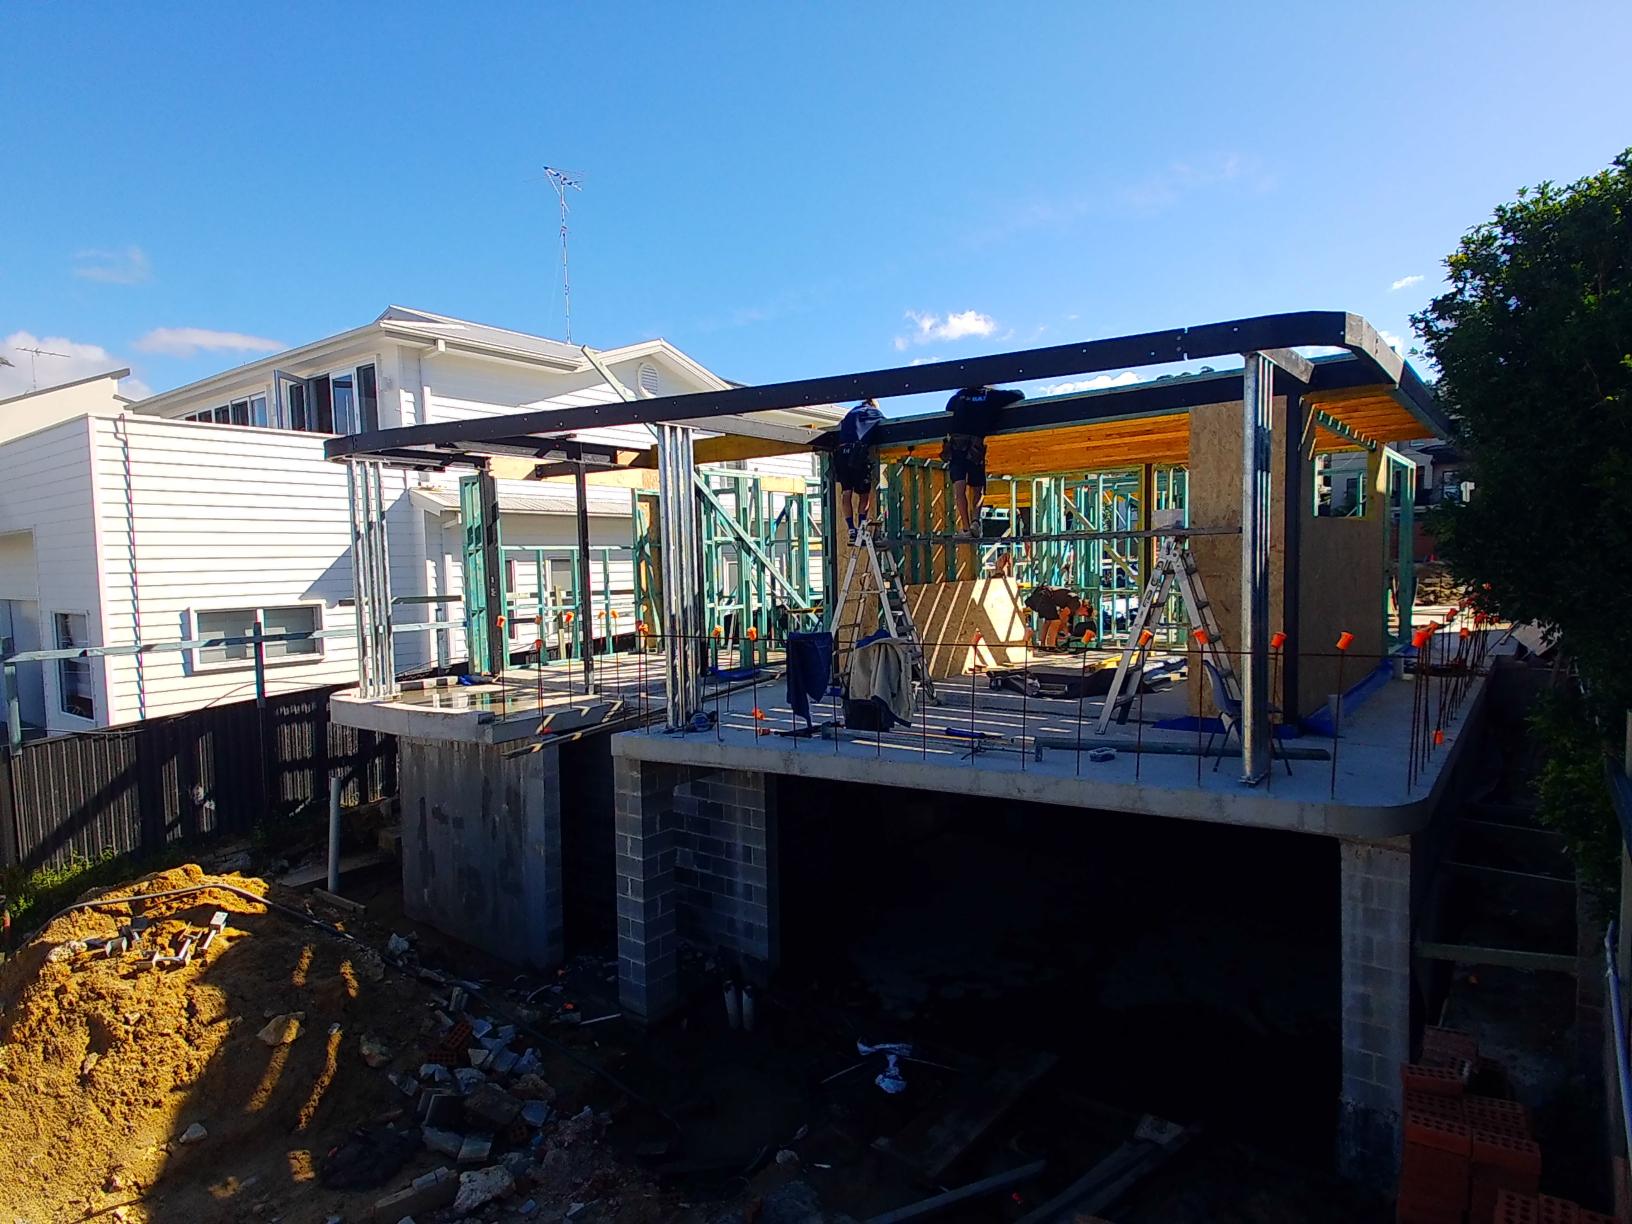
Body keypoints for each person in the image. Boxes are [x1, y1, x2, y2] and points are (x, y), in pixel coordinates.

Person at [943, 385, 1024, 537]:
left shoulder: (960, 396)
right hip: (975, 446)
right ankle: (975, 521)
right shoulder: (990, 396)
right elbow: (1019, 394)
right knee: (977, 487)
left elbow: (948, 407)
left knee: (959, 488)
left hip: (957, 446)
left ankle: (966, 528)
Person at [834, 398, 884, 543]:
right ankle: (861, 528)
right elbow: (886, 425)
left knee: (846, 492)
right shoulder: (873, 412)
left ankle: (851, 528)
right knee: (864, 494)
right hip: (857, 454)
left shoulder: (851, 413)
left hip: (841, 454)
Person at [1025, 584, 1081, 650]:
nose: (1080, 615)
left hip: (1041, 595)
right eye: (1085, 614)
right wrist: (1066, 631)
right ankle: (1051, 645)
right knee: (1056, 621)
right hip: (1046, 598)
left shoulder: (1072, 597)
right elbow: (1062, 615)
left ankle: (1043, 644)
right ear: (1085, 608)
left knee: (1048, 621)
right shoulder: (1076, 603)